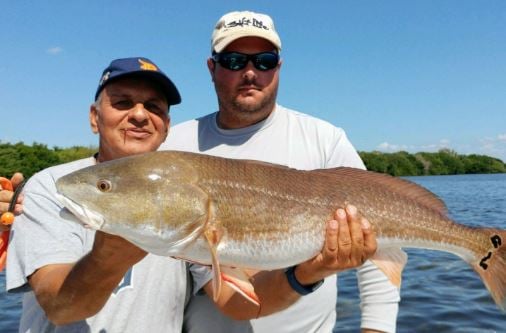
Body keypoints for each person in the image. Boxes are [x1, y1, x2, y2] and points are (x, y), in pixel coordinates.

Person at [2, 56, 376, 332]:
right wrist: (109, 256)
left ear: (166, 127)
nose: (138, 114)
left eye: (154, 107)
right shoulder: (55, 186)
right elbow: (59, 306)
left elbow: (241, 304)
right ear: (94, 116)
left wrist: (311, 271)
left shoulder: (186, 199)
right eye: (122, 102)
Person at [162, 11, 401, 333]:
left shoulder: (325, 139)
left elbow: (376, 243)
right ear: (211, 67)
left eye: (264, 61)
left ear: (279, 67)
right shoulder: (175, 145)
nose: (250, 72)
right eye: (234, 60)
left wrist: (378, 328)